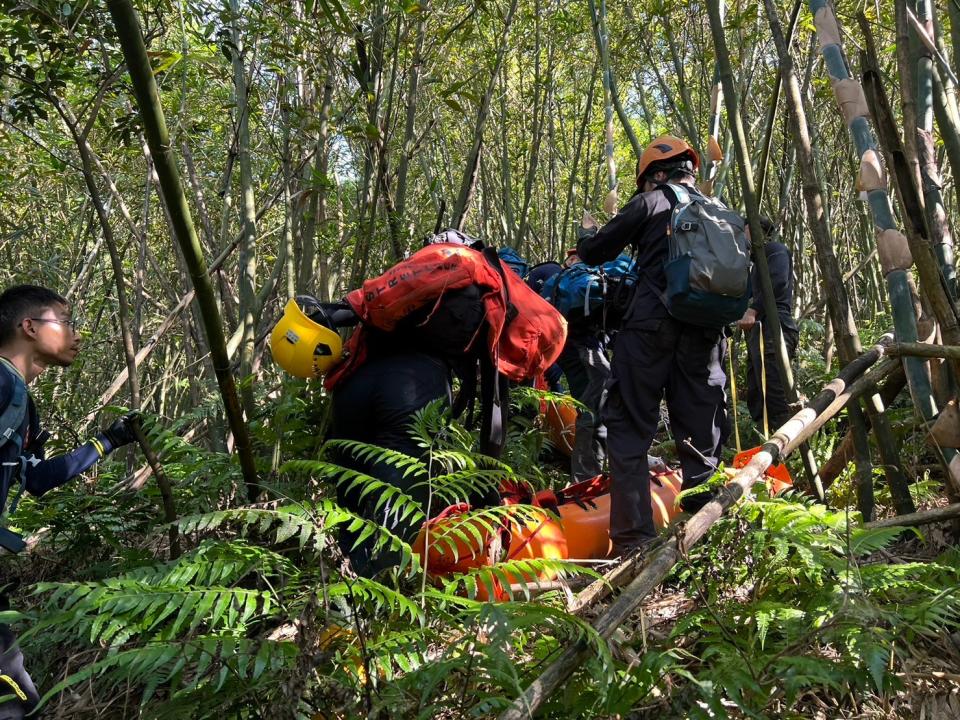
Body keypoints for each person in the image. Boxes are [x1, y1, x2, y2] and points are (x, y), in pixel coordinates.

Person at [577, 135, 727, 557]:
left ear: (657, 175)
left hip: (649, 329)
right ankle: (706, 536)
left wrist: (588, 232)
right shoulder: (717, 211)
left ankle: (633, 541)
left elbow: (593, 253)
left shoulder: (652, 201)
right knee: (701, 433)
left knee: (627, 429)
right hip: (705, 335)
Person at [0, 284, 139, 719]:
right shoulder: (3, 384)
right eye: (66, 321)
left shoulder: (21, 400)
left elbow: (37, 478)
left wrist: (108, 441)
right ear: (29, 327)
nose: (77, 335)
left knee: (15, 692)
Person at [552, 249, 610, 482]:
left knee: (590, 406)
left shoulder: (559, 281)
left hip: (568, 349)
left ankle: (590, 472)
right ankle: (586, 477)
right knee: (593, 408)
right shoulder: (588, 279)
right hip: (585, 348)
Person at [737, 219, 799, 432]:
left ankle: (786, 450)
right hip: (761, 331)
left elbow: (778, 283)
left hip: (776, 326)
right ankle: (767, 444)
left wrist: (753, 310)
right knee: (757, 394)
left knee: (775, 393)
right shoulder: (753, 263)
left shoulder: (775, 250)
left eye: (743, 230)